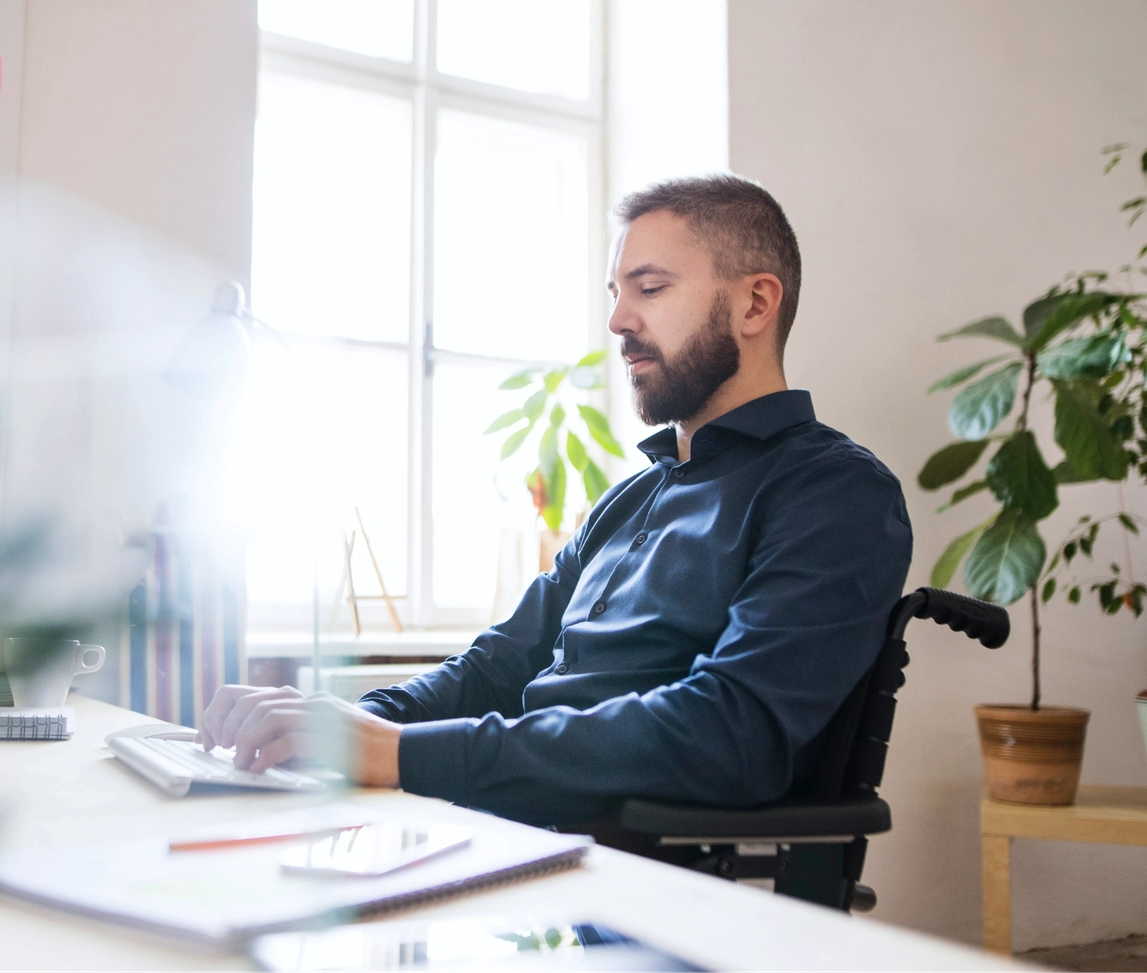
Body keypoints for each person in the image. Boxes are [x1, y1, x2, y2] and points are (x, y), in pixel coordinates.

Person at [199, 174, 912, 827]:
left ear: (756, 302)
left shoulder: (835, 494)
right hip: (504, 834)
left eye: (651, 289)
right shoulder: (629, 500)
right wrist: (345, 724)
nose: (619, 322)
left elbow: (730, 734)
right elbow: (495, 668)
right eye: (616, 294)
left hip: (636, 876)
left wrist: (402, 753)